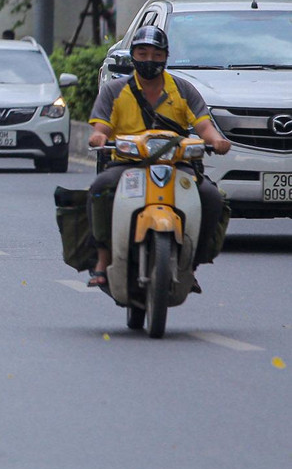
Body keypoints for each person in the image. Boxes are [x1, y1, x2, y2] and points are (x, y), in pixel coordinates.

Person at [85, 25, 230, 290]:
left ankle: (192, 264)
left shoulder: (184, 90)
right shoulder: (114, 90)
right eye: (142, 53)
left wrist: (216, 141)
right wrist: (99, 137)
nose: (150, 60)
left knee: (211, 197)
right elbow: (101, 127)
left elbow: (204, 126)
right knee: (100, 188)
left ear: (166, 56)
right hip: (127, 163)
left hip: (177, 164)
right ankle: (102, 260)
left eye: (156, 54)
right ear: (132, 55)